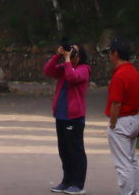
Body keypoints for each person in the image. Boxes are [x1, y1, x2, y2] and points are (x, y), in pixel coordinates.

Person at [43, 41, 91, 194]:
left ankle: (78, 184)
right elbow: (48, 70)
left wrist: (68, 60)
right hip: (61, 115)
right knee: (64, 151)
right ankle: (67, 181)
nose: (70, 53)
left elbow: (71, 77)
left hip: (74, 117)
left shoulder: (84, 69)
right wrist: (58, 55)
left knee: (75, 151)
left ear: (80, 56)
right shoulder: (65, 66)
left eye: (73, 51)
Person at [106, 37, 139, 195]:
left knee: (123, 165)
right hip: (133, 119)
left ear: (115, 53)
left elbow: (116, 103)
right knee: (131, 161)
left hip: (121, 121)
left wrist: (112, 124)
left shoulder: (119, 75)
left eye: (110, 53)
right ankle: (134, 192)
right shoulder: (133, 71)